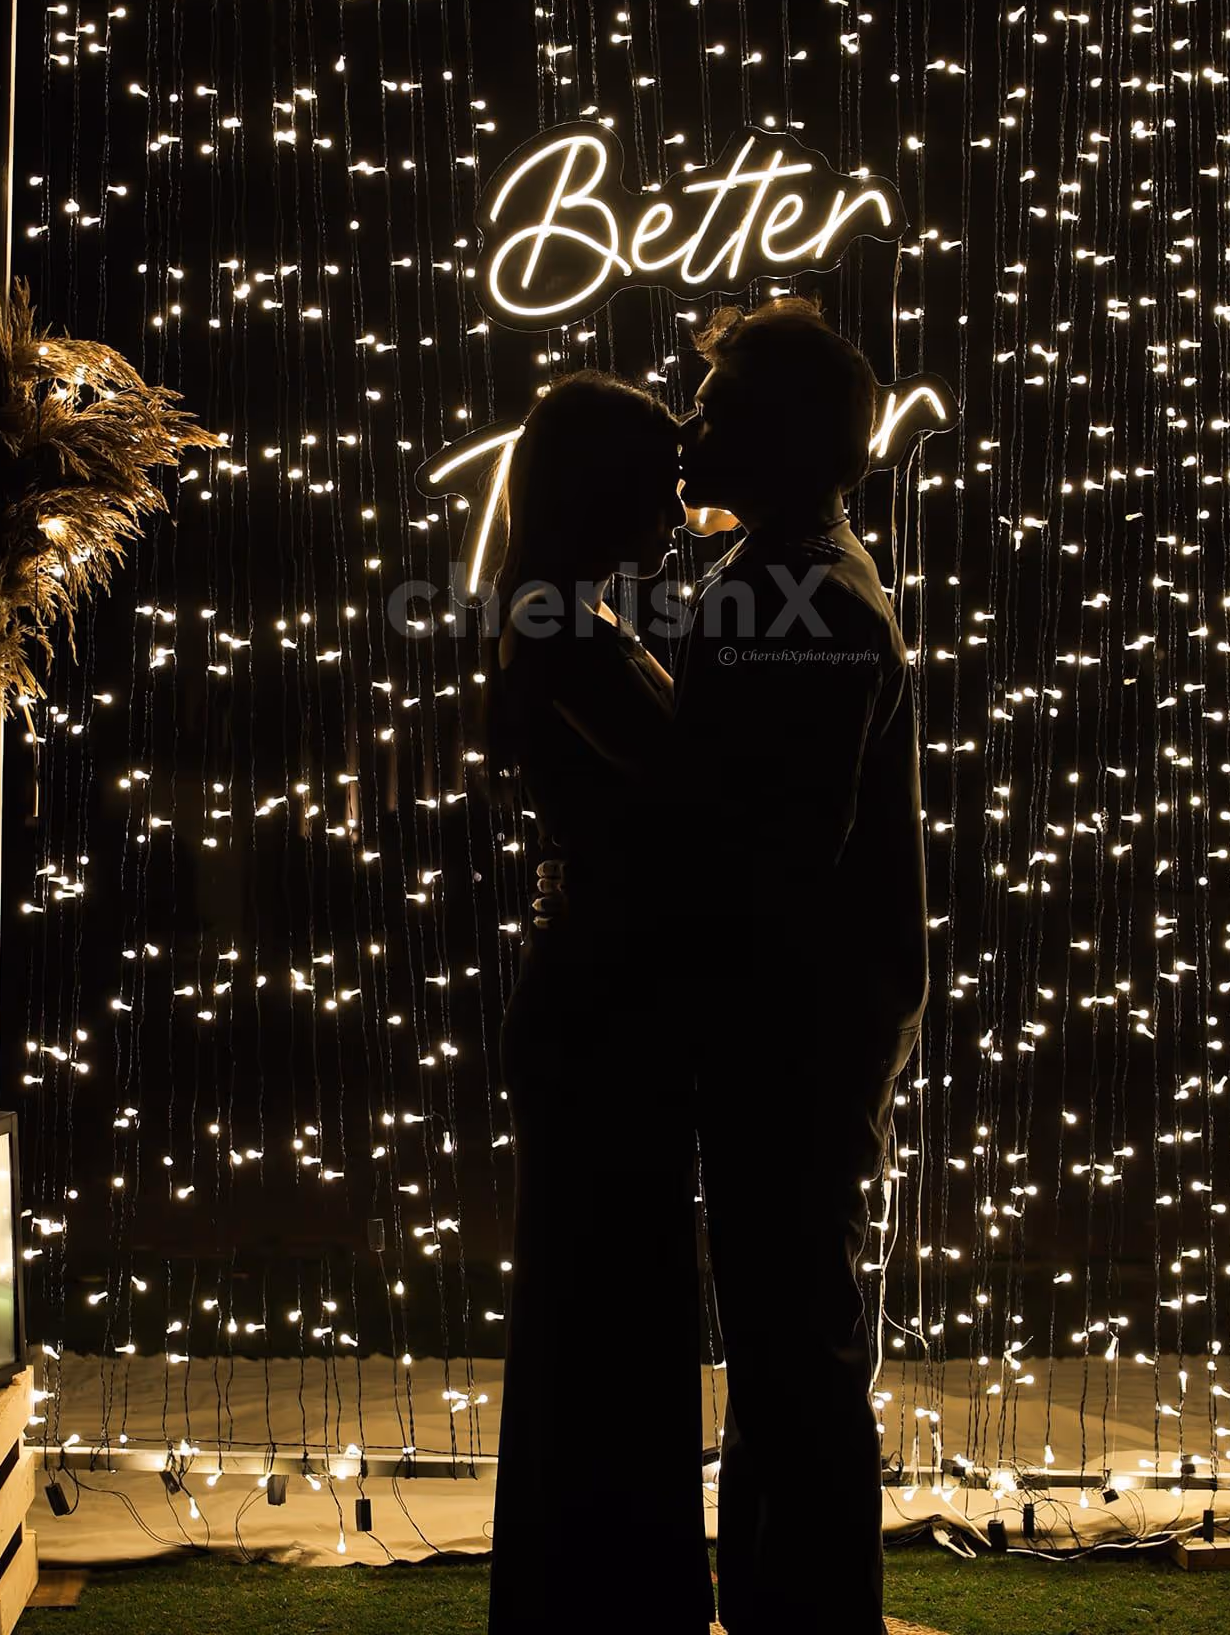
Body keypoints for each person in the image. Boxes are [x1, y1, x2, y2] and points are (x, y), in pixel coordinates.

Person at [673, 297, 930, 1635]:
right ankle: (777, 1602)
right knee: (782, 1333)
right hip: (800, 1015)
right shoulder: (790, 573)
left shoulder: (807, 599)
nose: (688, 429)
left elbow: (775, 853)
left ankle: (816, 1615)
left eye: (715, 410)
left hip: (796, 1025)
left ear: (777, 436)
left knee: (794, 1339)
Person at [482, 371, 713, 1635]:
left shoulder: (572, 615)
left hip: (604, 1003)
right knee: (606, 1317)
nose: (678, 509)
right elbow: (697, 791)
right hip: (598, 1017)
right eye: (660, 483)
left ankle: (595, 1593)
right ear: (601, 490)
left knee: (608, 1314)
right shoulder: (565, 626)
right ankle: (603, 1598)